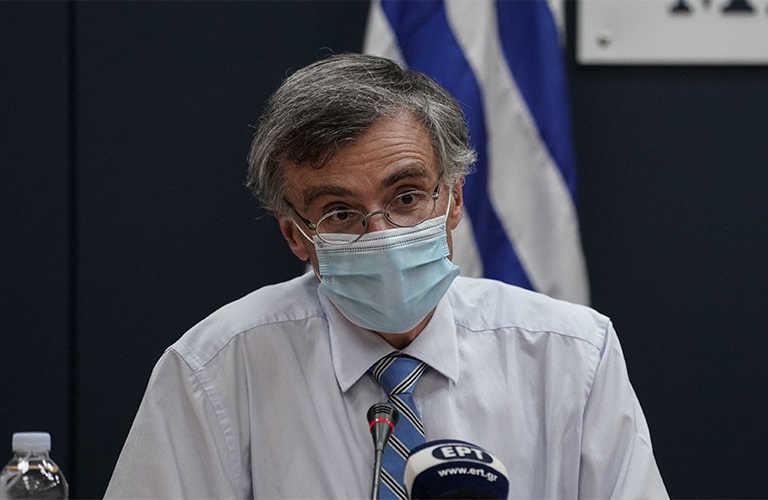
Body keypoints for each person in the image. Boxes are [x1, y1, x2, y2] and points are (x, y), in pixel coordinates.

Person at [104, 53, 668, 499]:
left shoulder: (571, 354)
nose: (381, 233)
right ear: (296, 235)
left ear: (453, 200)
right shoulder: (216, 368)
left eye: (407, 197)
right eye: (339, 212)